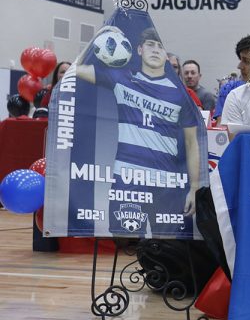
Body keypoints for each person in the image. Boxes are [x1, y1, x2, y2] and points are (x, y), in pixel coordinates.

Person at [75, 27, 202, 235]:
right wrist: (98, 36)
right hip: (127, 180)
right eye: (150, 44)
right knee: (125, 240)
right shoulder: (122, 79)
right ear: (139, 50)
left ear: (166, 54)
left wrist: (194, 188)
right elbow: (76, 69)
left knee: (168, 246)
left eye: (160, 46)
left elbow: (191, 143)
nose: (155, 49)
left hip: (166, 182)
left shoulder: (181, 95)